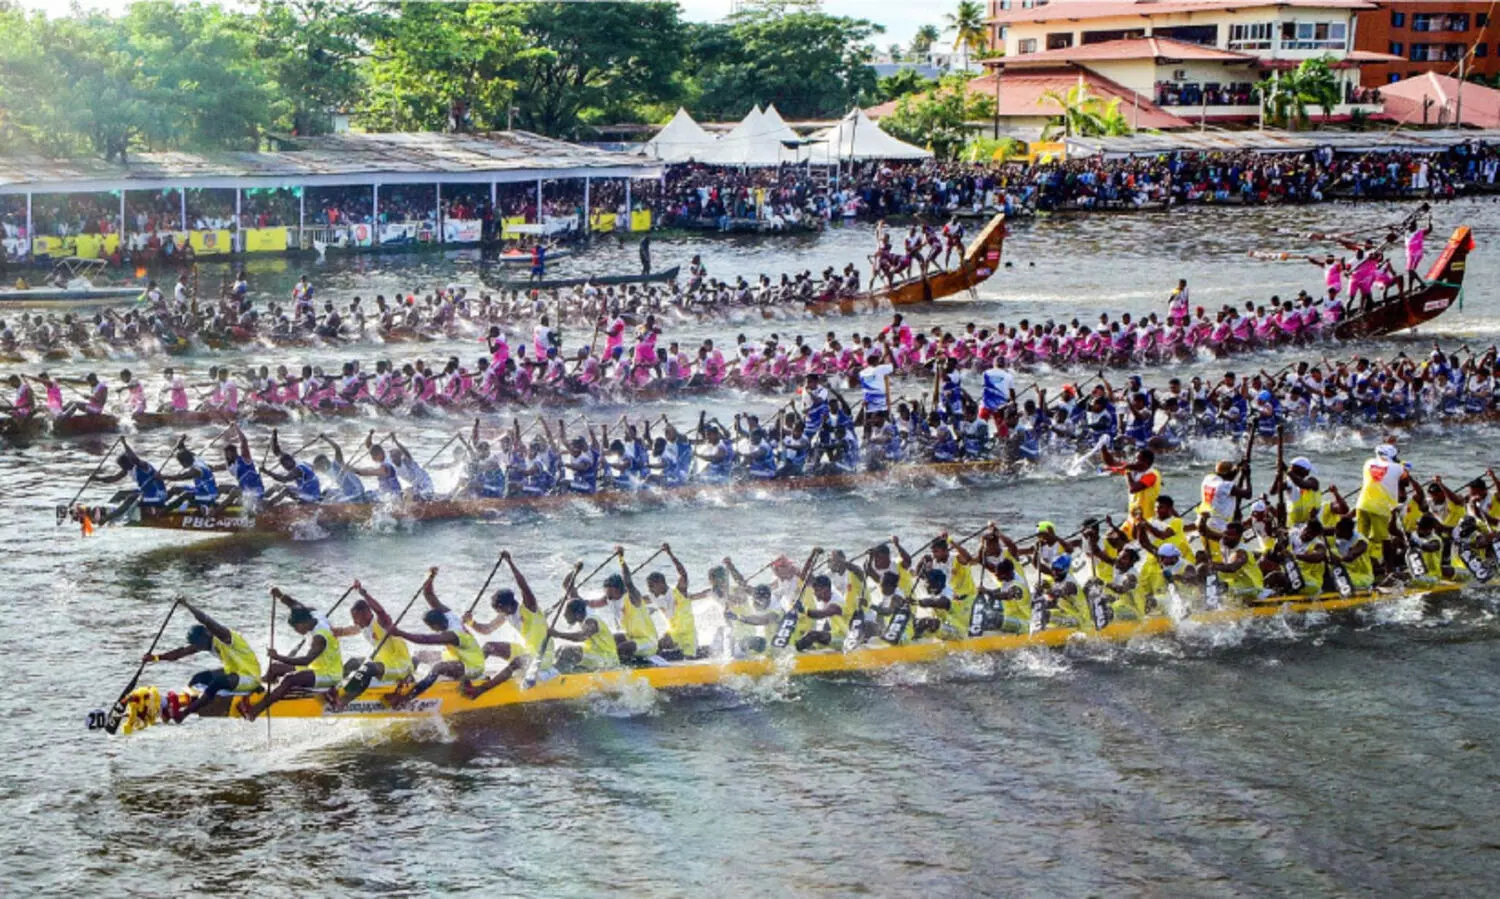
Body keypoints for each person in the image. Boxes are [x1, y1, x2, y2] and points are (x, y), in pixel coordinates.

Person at [140, 600, 262, 723]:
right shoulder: (204, 642)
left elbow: (206, 620)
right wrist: (155, 657)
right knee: (198, 679)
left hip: (251, 677)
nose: (198, 647)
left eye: (199, 644)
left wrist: (188, 606)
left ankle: (184, 714)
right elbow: (180, 653)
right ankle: (176, 704)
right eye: (196, 645)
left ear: (207, 634)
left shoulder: (224, 636)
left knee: (217, 683)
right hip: (234, 672)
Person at [384, 568, 489, 707]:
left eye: (430, 627)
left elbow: (425, 639)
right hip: (456, 657)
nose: (431, 630)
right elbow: (428, 594)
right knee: (419, 655)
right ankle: (404, 683)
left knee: (438, 668)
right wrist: (431, 577)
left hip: (474, 665)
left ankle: (405, 699)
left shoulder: (452, 634)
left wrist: (400, 633)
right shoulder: (447, 614)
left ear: (434, 626)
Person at [238, 588, 343, 722]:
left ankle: (255, 711)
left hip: (330, 674)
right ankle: (257, 691)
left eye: (296, 628)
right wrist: (280, 595)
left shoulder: (320, 637)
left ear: (303, 623)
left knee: (289, 679)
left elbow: (306, 661)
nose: (296, 631)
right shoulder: (313, 614)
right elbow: (294, 605)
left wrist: (278, 656)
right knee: (275, 668)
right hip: (315, 667)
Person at [328, 580, 416, 708]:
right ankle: (335, 688)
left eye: (356, 617)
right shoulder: (362, 626)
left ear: (366, 613)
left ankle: (344, 700)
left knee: (367, 668)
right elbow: (341, 631)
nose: (354, 621)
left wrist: (363, 593)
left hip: (400, 665)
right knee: (353, 662)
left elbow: (381, 611)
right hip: (383, 662)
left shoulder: (382, 623)